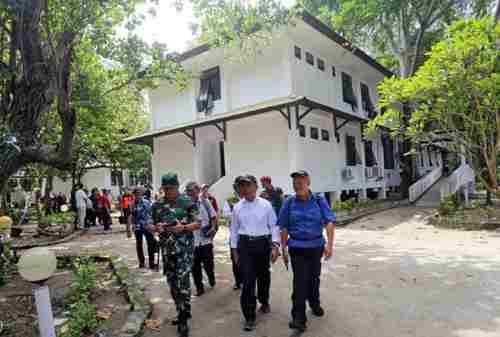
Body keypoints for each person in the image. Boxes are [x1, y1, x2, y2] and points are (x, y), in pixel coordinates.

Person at [278, 170, 336, 332]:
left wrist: (330, 245)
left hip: (316, 247)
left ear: (308, 182)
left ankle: (315, 302)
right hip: (297, 248)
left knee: (314, 278)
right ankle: (298, 318)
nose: (297, 185)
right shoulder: (288, 202)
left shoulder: (319, 200)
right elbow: (283, 227)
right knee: (300, 282)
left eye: (301, 181)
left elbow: (329, 222)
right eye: (295, 182)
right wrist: (283, 249)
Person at [150, 173, 201, 337]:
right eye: (165, 188)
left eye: (171, 188)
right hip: (167, 250)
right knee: (172, 283)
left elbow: (198, 223)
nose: (168, 191)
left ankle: (184, 317)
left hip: (184, 250)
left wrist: (184, 228)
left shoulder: (187, 202)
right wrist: (155, 228)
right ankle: (181, 310)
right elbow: (149, 224)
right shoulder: (157, 204)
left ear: (177, 186)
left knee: (183, 282)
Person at [230, 175, 280, 332]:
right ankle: (249, 316)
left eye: (248, 185)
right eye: (243, 186)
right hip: (245, 246)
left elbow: (273, 226)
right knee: (248, 281)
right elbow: (234, 231)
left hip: (262, 245)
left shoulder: (266, 205)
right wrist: (234, 251)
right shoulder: (237, 207)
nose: (245, 189)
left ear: (256, 187)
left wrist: (275, 246)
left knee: (264, 276)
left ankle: (264, 301)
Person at [186, 182, 218, 296]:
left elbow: (213, 216)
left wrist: (213, 227)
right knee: (195, 267)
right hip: (192, 241)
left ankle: (211, 276)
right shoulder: (185, 205)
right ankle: (199, 287)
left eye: (192, 191)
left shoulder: (205, 202)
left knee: (209, 264)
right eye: (188, 191)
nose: (191, 193)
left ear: (198, 191)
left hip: (206, 239)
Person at [222, 178, 243, 290]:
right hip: (234, 235)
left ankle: (247, 280)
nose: (238, 188)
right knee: (235, 260)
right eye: (236, 186)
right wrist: (238, 213)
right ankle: (238, 282)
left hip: (247, 235)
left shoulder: (247, 197)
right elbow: (226, 214)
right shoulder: (230, 200)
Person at [129, 186, 156, 269]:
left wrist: (153, 225)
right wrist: (130, 228)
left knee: (150, 244)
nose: (138, 196)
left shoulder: (147, 202)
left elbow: (151, 214)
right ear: (133, 195)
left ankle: (152, 262)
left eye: (139, 194)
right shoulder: (132, 204)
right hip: (137, 227)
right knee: (139, 244)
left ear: (141, 194)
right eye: (136, 194)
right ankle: (141, 262)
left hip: (147, 226)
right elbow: (131, 216)